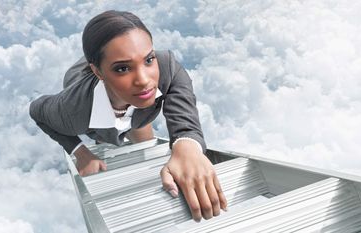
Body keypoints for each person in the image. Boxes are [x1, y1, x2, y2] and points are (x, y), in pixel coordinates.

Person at [29, 10, 227, 221]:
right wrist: (81, 153)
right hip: (87, 93)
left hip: (131, 107)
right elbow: (36, 110)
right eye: (123, 68)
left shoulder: (165, 66)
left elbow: (176, 75)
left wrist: (187, 145)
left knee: (144, 139)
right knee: (106, 138)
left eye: (149, 59)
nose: (143, 80)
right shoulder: (72, 112)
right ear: (97, 72)